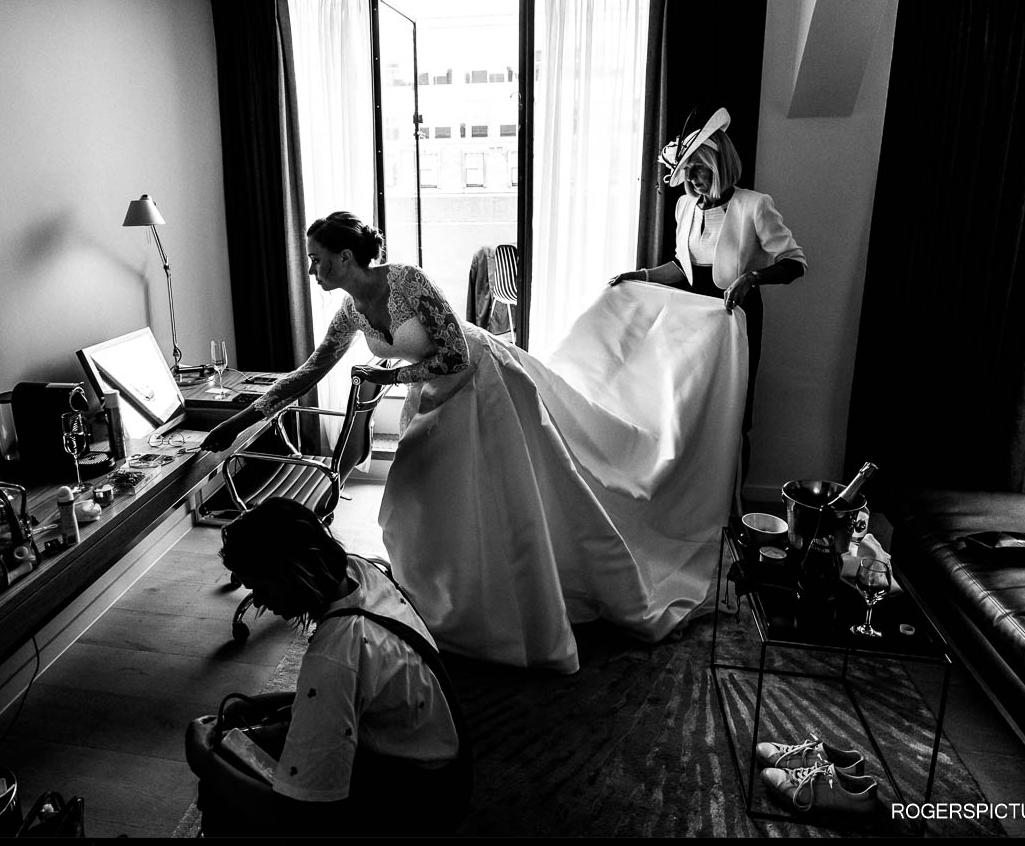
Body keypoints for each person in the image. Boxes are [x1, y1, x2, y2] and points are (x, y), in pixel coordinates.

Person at [202, 211, 707, 675]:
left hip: (485, 384)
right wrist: (243, 420)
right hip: (433, 395)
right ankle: (445, 608)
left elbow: (458, 355)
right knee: (409, 505)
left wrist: (388, 379)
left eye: (316, 260)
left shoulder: (407, 282)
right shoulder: (352, 313)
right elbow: (309, 372)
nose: (311, 270)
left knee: (503, 500)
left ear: (345, 258)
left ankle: (506, 611)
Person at [184, 496, 470, 837]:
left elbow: (299, 817)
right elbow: (362, 684)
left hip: (418, 807)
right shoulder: (361, 572)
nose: (258, 601)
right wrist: (276, 703)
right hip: (447, 773)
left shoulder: (336, 653)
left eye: (259, 587)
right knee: (260, 730)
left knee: (227, 778)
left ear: (291, 573)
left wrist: (202, 757)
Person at [610, 107, 806, 478]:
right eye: (687, 171)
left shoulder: (754, 205)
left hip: (736, 320)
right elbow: (682, 267)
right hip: (690, 320)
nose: (692, 179)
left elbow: (795, 263)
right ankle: (688, 495)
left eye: (699, 169)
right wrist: (640, 275)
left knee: (733, 414)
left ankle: (731, 507)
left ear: (718, 164)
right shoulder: (685, 206)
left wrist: (751, 278)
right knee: (686, 410)